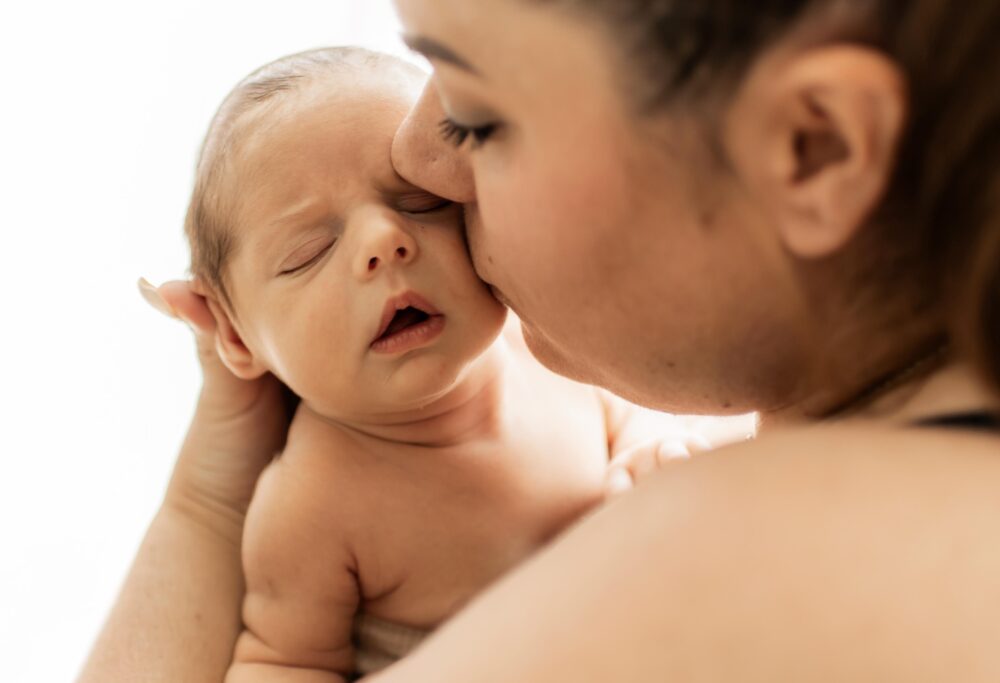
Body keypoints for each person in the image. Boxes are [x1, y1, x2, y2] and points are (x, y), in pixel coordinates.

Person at [81, 0, 1000, 681]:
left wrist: (201, 506)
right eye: (310, 250)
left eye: (475, 115)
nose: (416, 157)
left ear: (815, 148)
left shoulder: (716, 553)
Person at [145, 46, 718, 682]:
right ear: (234, 336)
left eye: (421, 203)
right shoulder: (311, 505)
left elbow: (633, 414)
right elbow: (283, 660)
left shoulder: (548, 353)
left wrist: (650, 451)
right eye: (309, 252)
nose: (383, 242)